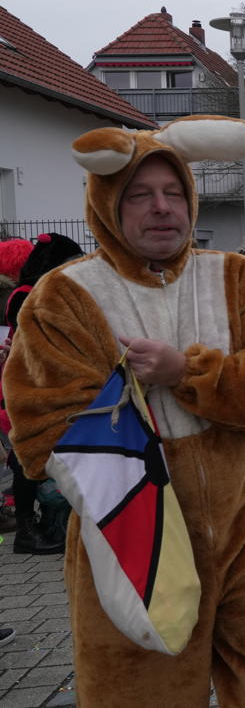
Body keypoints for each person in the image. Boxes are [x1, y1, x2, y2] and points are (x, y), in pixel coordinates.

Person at [3, 116, 245, 704]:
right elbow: (40, 434)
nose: (161, 208)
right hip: (127, 535)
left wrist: (187, 374)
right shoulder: (65, 295)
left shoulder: (237, 279)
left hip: (244, 524)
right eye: (141, 195)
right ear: (107, 205)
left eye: (173, 193)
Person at [3, 232, 84, 555]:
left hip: (41, 387)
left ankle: (50, 523)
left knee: (47, 457)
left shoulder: (38, 291)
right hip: (28, 388)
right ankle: (26, 530)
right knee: (27, 458)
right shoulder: (27, 294)